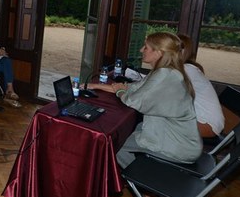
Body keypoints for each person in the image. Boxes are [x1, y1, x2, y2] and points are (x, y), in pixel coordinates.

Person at [91, 32, 203, 168]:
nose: (141, 50)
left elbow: (133, 101)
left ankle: (136, 177)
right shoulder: (169, 72)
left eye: (146, 47)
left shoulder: (164, 75)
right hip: (181, 141)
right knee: (126, 131)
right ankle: (131, 175)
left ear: (158, 53)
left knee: (111, 146)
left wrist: (120, 91)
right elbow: (133, 88)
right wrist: (97, 86)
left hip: (177, 147)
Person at [178, 33, 225, 139]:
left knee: (157, 120)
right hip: (204, 120)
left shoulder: (187, 70)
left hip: (207, 124)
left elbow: (157, 84)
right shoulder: (188, 68)